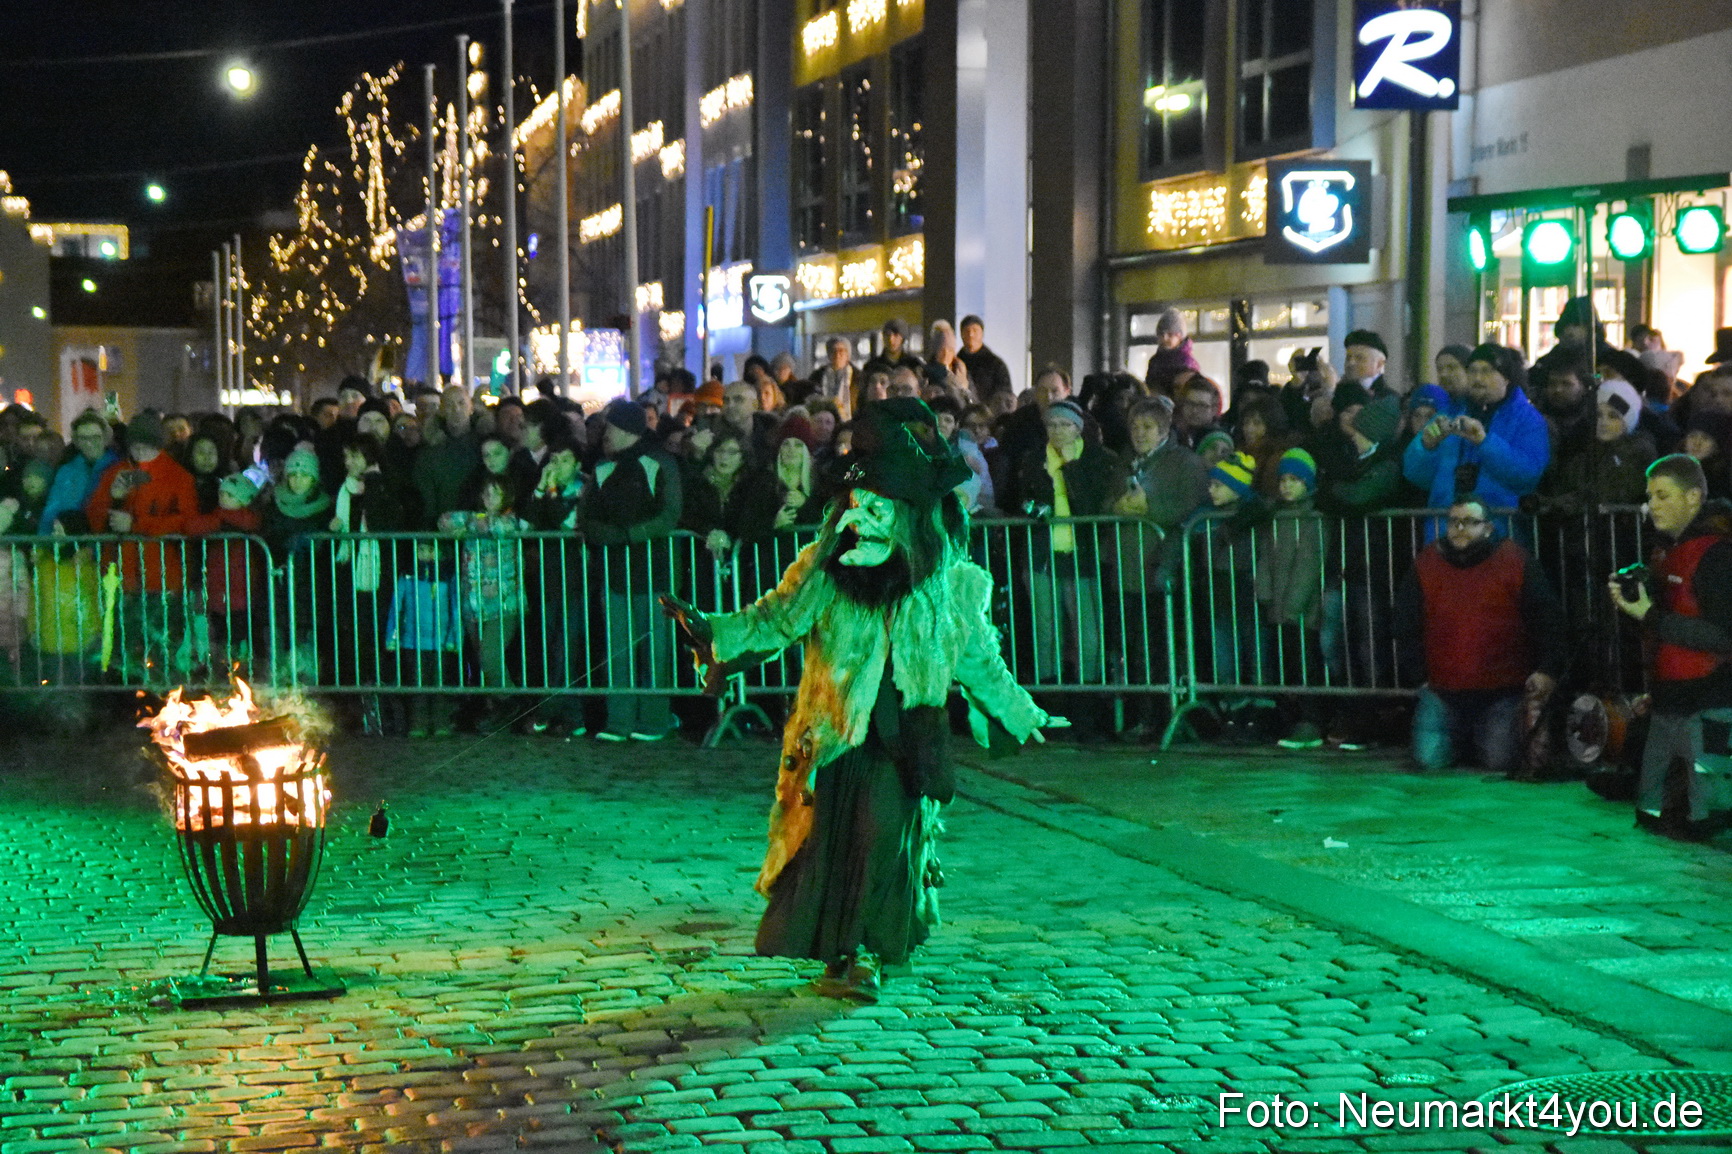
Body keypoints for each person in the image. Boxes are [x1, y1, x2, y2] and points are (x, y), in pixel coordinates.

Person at [660, 398, 1065, 1001]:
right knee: (835, 837)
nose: (862, 515)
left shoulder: (945, 578)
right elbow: (776, 617)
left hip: (908, 730)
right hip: (837, 730)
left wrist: (1019, 711)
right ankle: (844, 952)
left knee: (886, 832)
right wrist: (713, 632)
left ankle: (871, 951)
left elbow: (978, 656)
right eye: (856, 503)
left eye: (879, 505)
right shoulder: (829, 568)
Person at [1396, 494, 1565, 773]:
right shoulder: (1426, 563)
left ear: (1488, 528)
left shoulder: (1515, 561)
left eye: (1470, 522)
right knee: (1428, 760)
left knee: (1498, 762)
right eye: (1454, 522)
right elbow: (1405, 622)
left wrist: (1548, 668)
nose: (1460, 529)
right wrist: (1417, 674)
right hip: (1442, 689)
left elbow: (1546, 618)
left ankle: (1470, 740)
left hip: (1502, 690)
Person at [1610, 455, 1732, 838]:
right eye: (1650, 496)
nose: (1652, 506)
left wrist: (1650, 615)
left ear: (1693, 497)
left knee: (1699, 820)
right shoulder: (1670, 549)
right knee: (1655, 815)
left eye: (1663, 495)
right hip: (1672, 696)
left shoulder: (1717, 554)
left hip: (1706, 699)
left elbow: (1723, 636)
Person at [583, 399, 683, 742]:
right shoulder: (605, 468)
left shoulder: (656, 463)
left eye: (610, 427)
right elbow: (588, 518)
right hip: (619, 572)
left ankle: (650, 719)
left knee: (652, 649)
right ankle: (622, 720)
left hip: (652, 572)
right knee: (621, 649)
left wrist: (624, 536)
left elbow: (670, 513)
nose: (604, 433)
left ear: (625, 430)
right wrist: (626, 536)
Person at [84, 412, 200, 681]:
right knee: (122, 648)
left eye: (146, 446)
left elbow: (186, 521)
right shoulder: (115, 473)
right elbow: (93, 516)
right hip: (122, 577)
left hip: (161, 578)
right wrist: (113, 499)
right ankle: (126, 702)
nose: (140, 451)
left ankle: (163, 700)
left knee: (162, 646)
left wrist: (137, 524)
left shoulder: (177, 476)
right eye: (135, 445)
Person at [1404, 343, 1550, 536]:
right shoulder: (1449, 413)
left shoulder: (1528, 419)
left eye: (1487, 371)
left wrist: (1485, 442)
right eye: (1472, 371)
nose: (1478, 378)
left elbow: (1528, 475)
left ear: (1506, 378)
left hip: (1499, 532)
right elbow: (1415, 474)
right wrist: (1426, 447)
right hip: (1445, 530)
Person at [39, 410, 118, 534]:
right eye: (83, 438)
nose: (89, 443)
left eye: (95, 437)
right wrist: (45, 541)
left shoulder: (117, 468)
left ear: (105, 437)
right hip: (67, 542)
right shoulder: (66, 472)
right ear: (76, 441)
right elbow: (51, 510)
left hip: (104, 544)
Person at [1143, 308, 1201, 396]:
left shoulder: (1187, 363)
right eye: (1161, 335)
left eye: (1170, 335)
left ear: (1180, 337)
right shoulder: (1155, 361)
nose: (1164, 338)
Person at [956, 315, 1012, 404]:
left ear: (982, 333)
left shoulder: (996, 365)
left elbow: (1004, 395)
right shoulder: (955, 363)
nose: (971, 335)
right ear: (961, 334)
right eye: (967, 331)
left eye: (975, 330)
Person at [808, 336, 857, 420]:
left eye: (841, 351)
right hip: (823, 423)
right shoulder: (817, 376)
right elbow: (810, 399)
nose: (837, 355)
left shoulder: (858, 377)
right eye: (833, 351)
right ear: (828, 354)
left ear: (847, 355)